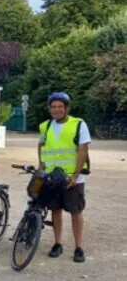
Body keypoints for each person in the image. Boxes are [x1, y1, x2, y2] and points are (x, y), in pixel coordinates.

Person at [38, 92, 91, 263]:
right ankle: (58, 243)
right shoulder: (45, 126)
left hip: (71, 177)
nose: (56, 109)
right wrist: (41, 166)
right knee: (56, 210)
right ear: (49, 109)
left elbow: (83, 151)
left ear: (66, 108)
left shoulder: (78, 124)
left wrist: (76, 175)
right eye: (53, 107)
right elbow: (41, 145)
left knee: (75, 212)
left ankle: (79, 247)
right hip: (53, 177)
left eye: (60, 106)